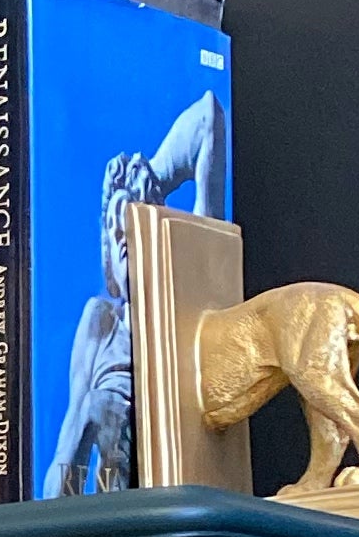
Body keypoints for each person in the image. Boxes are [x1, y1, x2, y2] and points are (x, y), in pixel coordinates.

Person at [40, 94, 229, 498]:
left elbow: (207, 117)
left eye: (131, 222)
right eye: (114, 228)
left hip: (166, 468)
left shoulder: (185, 305)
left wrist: (150, 182)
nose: (122, 236)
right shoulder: (103, 320)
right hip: (109, 482)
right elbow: (71, 432)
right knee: (93, 407)